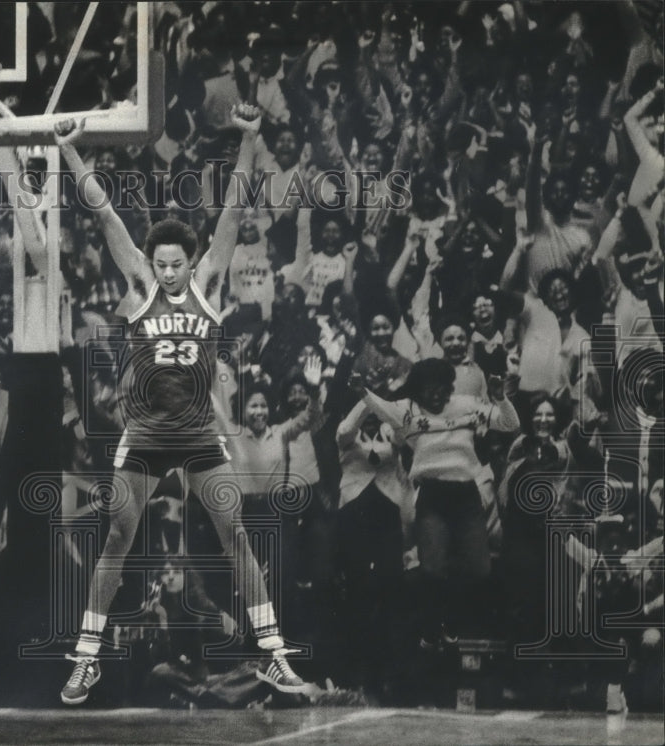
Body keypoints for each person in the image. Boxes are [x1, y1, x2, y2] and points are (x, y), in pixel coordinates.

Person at [55, 103, 307, 705]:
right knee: (118, 536)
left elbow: (235, 205)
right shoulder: (140, 285)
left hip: (196, 433)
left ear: (190, 264)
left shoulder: (210, 283)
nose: (168, 272)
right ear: (150, 265)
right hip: (144, 433)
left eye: (176, 264)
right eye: (160, 264)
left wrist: (251, 136)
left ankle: (273, 653)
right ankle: (86, 656)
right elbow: (105, 213)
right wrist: (68, 151)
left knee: (236, 535)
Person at [354, 358, 521, 649]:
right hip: (433, 497)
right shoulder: (406, 411)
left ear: (449, 387)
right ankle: (433, 627)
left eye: (441, 389)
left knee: (480, 569)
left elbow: (510, 423)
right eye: (427, 390)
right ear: (417, 391)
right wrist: (362, 391)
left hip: (466, 496)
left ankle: (456, 620)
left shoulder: (468, 404)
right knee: (431, 569)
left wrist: (500, 398)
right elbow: (379, 405)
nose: (434, 396)